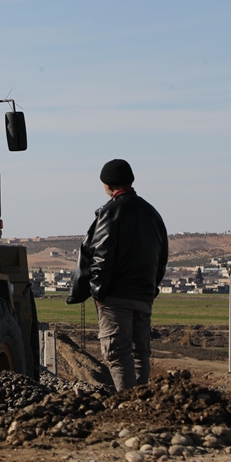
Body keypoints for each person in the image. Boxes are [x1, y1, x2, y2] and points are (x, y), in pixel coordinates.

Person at [67, 159, 168, 393]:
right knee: (140, 352)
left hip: (116, 297)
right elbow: (161, 258)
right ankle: (142, 402)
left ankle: (128, 403)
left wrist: (98, 291)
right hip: (143, 296)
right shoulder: (152, 213)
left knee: (118, 352)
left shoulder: (110, 212)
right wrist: (150, 288)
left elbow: (101, 255)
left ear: (107, 184)